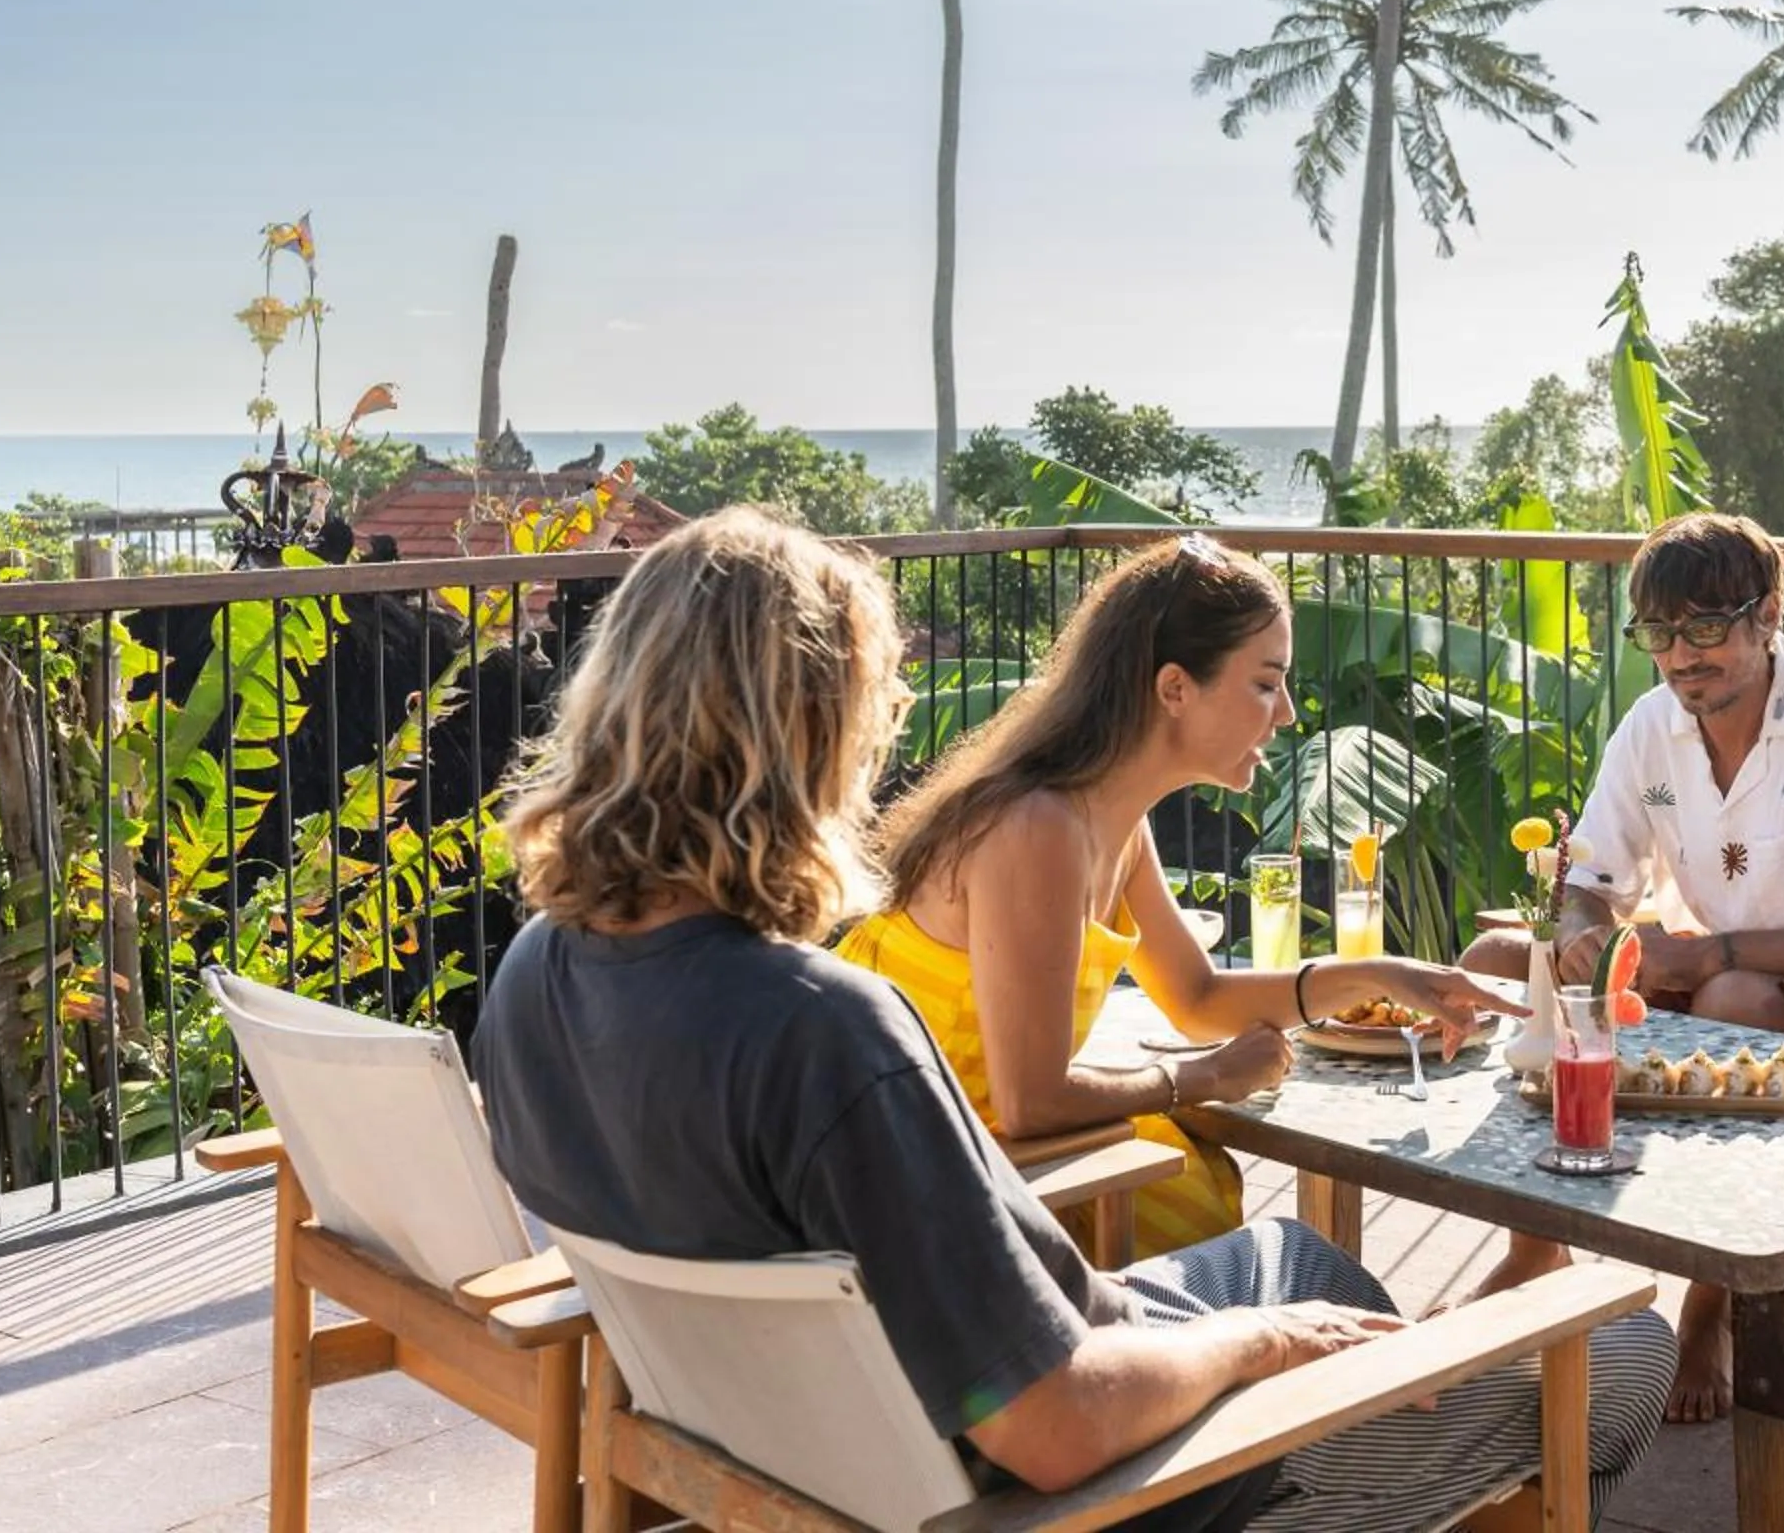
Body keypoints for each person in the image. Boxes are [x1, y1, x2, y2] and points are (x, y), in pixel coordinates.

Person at [475, 510, 1675, 1533]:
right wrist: (1260, 1347)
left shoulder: (537, 975)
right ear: (808, 730)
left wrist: (1266, 1315)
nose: (891, 716)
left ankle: (1414, 1404)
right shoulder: (826, 1032)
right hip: (1101, 1491)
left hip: (826, 1443)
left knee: (1307, 1265)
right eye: (874, 692)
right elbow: (1052, 1425)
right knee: (1621, 1350)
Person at [853, 532, 1516, 1256]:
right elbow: (1031, 1101)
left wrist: (1386, 974)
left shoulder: (1114, 823)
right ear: (1174, 688)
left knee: (1296, 1262)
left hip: (1000, 1168)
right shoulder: (1034, 829)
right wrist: (1205, 1076)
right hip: (939, 1210)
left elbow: (1196, 997)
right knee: (1304, 1268)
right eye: (1265, 683)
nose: (1288, 712)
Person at [1462, 510, 1784, 1422]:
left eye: (1706, 628)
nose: (1682, 656)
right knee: (1498, 963)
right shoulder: (1652, 726)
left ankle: (1708, 1308)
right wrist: (1588, 932)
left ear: (1769, 616)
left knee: (1730, 997)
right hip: (1698, 979)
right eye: (1660, 634)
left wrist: (1704, 953)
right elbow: (1588, 879)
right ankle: (1535, 1249)